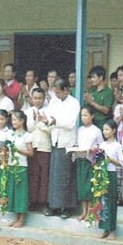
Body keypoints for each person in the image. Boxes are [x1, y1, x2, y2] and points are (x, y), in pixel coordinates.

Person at [39, 78, 80, 217]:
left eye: (58, 92)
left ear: (66, 90)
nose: (56, 95)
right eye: (55, 92)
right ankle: (54, 205)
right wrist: (44, 120)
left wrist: (54, 121)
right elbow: (48, 116)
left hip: (67, 142)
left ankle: (66, 207)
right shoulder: (54, 101)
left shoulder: (74, 103)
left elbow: (70, 123)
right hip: (55, 140)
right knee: (54, 175)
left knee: (66, 175)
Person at [2, 110, 33, 227]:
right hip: (11, 165)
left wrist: (18, 150)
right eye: (12, 120)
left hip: (21, 166)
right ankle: (16, 217)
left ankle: (22, 218)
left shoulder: (27, 135)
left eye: (15, 120)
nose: (13, 122)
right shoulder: (10, 134)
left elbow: (31, 153)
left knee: (21, 192)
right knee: (13, 192)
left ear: (22, 121)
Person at [24, 88, 51, 210]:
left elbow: (51, 129)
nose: (37, 100)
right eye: (35, 98)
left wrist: (42, 123)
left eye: (40, 98)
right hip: (32, 146)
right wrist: (35, 120)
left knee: (44, 175)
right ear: (31, 98)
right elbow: (28, 129)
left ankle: (43, 202)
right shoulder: (27, 112)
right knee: (33, 174)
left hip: (45, 146)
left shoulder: (49, 111)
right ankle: (32, 201)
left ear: (44, 99)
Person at [74, 107, 104, 221]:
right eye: (82, 115)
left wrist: (93, 149)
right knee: (81, 187)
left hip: (90, 161)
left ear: (92, 116)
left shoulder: (96, 131)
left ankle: (90, 211)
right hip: (80, 159)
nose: (83, 118)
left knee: (89, 187)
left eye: (86, 115)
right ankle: (84, 211)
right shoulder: (79, 130)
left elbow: (101, 147)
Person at [98, 119, 123, 240]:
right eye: (104, 129)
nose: (105, 132)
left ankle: (112, 230)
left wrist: (110, 159)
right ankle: (104, 228)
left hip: (111, 174)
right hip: (102, 174)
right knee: (103, 201)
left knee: (112, 202)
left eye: (107, 129)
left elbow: (121, 163)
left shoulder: (117, 146)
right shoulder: (102, 145)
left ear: (114, 131)